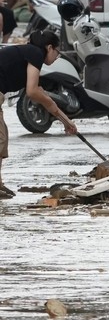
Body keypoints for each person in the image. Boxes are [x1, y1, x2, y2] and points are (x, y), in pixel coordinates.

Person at [0, 30, 78, 197]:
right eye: (57, 52)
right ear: (49, 48)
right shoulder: (35, 53)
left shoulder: (27, 55)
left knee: (2, 137)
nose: (57, 57)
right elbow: (32, 91)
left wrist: (67, 122)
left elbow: (43, 97)